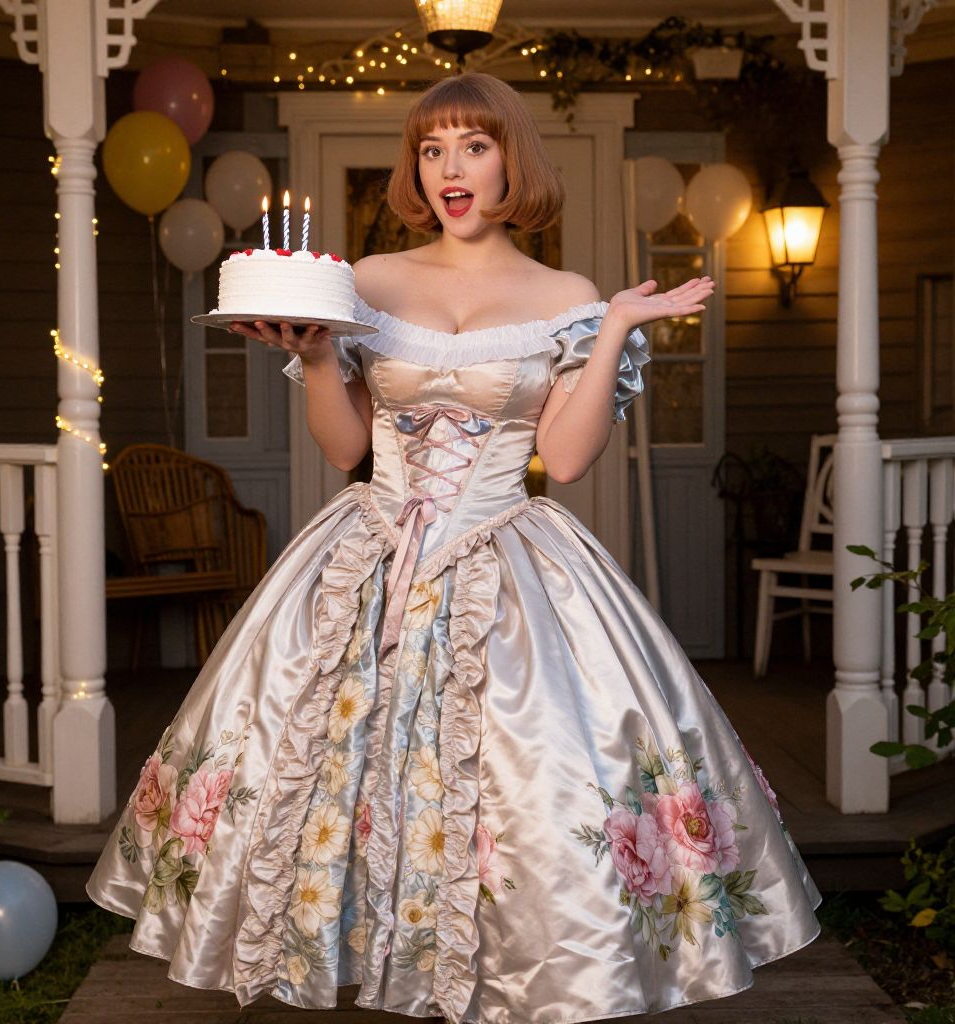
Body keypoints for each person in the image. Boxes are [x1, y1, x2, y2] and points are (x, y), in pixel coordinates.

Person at [87, 72, 821, 1023]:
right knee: (322, 760)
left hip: (505, 557)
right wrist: (314, 354)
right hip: (369, 553)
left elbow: (562, 457)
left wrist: (613, 335)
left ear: (511, 159)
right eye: (431, 151)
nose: (449, 170)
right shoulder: (369, 282)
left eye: (471, 146)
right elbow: (347, 448)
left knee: (520, 783)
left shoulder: (564, 295)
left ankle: (511, 975)